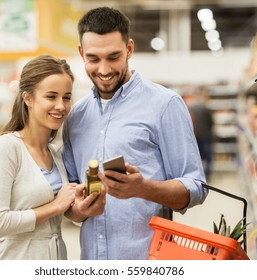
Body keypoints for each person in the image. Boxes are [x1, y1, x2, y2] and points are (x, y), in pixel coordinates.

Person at [62, 7, 208, 260]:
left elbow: (195, 187)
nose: (104, 69)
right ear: (80, 53)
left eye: (113, 57)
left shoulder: (164, 105)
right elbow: (71, 204)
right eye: (93, 58)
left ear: (129, 49)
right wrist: (80, 209)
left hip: (146, 259)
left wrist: (143, 188)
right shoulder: (76, 116)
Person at [0, 54, 77, 260]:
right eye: (51, 97)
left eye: (67, 97)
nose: (61, 106)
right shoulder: (7, 148)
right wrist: (55, 206)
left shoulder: (55, 153)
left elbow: (65, 211)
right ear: (28, 98)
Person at [186, 86, 214, 179]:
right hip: (205, 135)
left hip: (195, 135)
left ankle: (198, 175)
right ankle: (208, 175)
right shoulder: (206, 107)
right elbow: (211, 122)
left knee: (197, 156)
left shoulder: (191, 107)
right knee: (208, 157)